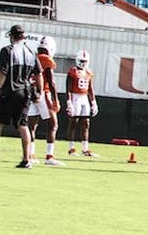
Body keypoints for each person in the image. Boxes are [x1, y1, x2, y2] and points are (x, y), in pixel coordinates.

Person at [0, 25, 41, 168]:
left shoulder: (7, 50)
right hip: (25, 92)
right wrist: (39, 92)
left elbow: (3, 73)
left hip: (8, 92)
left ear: (12, 36)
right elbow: (38, 74)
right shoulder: (31, 51)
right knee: (23, 125)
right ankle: (26, 159)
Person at [26, 35, 63, 166]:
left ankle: (30, 155)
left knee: (31, 126)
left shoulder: (32, 57)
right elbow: (51, 81)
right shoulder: (46, 59)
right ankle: (49, 156)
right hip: (43, 93)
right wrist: (56, 99)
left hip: (31, 93)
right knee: (53, 125)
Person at [65, 49, 97, 156]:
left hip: (84, 97)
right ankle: (71, 148)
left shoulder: (89, 72)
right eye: (81, 61)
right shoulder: (72, 71)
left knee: (86, 123)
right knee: (74, 122)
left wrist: (93, 102)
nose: (83, 63)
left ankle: (85, 149)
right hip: (75, 97)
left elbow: (90, 88)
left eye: (85, 61)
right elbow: (68, 89)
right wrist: (69, 102)